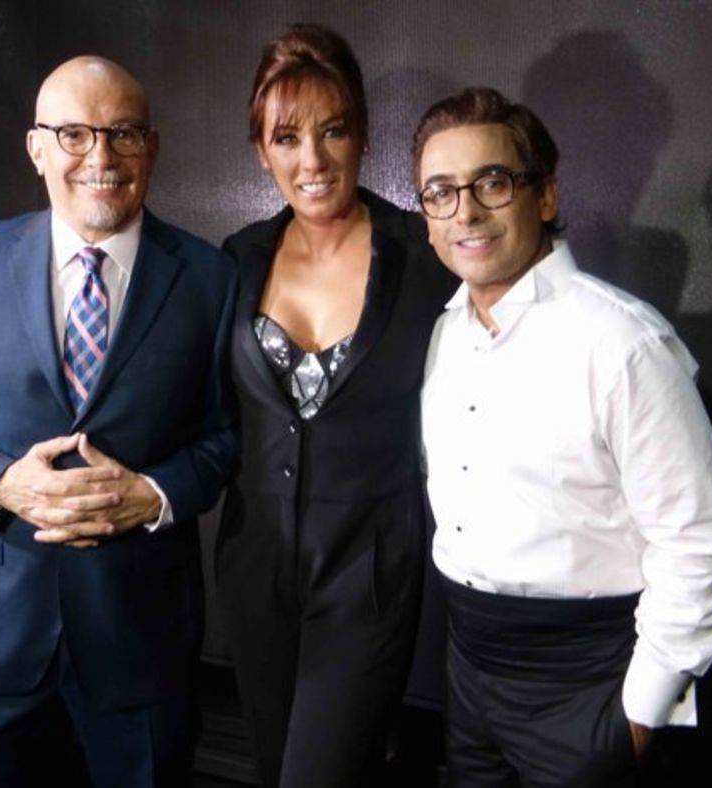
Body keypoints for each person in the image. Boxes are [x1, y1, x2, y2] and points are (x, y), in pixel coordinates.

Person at [0, 56, 237, 788]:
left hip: (141, 637)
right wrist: (1, 486)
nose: (100, 158)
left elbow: (227, 434)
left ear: (152, 147)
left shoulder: (211, 279)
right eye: (74, 134)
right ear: (36, 148)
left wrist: (155, 495)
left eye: (123, 133)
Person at [414, 87, 712, 787]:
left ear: (545, 196)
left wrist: (637, 718)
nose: (465, 211)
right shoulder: (445, 334)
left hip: (587, 681)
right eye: (440, 192)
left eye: (491, 183)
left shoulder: (623, 343)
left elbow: (700, 545)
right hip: (466, 668)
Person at [214, 24, 457, 788]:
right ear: (261, 151)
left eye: (334, 130)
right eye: (287, 137)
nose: (313, 160)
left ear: (363, 135)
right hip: (255, 573)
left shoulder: (425, 254)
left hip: (369, 579)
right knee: (271, 767)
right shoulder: (237, 258)